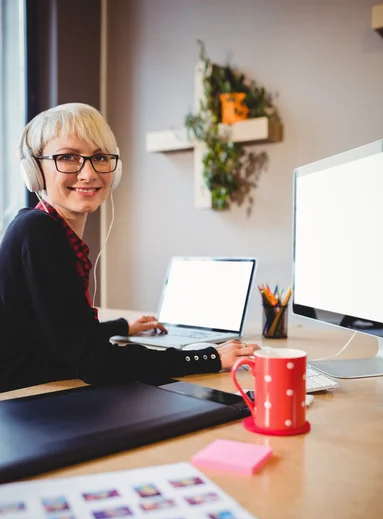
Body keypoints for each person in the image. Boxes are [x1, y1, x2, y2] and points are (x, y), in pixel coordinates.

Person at [0, 103, 258, 393]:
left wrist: (121, 327)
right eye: (68, 157)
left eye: (99, 157)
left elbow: (65, 333)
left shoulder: (39, 227)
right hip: (22, 405)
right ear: (34, 170)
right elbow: (94, 362)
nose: (88, 173)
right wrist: (206, 357)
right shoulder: (39, 232)